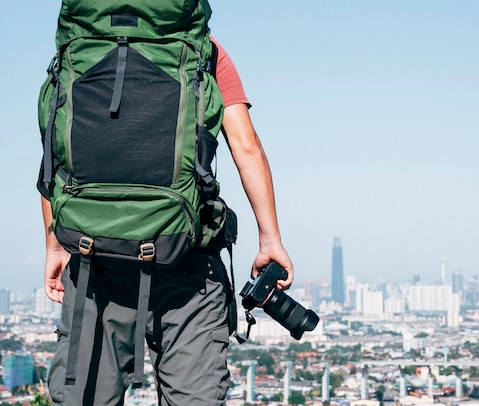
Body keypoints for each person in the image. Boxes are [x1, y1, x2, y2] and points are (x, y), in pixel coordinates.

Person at [40, 38, 293, 405]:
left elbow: (56, 153)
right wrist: (270, 240)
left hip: (95, 263)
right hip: (188, 266)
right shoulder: (202, 50)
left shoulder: (81, 45)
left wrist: (53, 245)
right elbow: (246, 145)